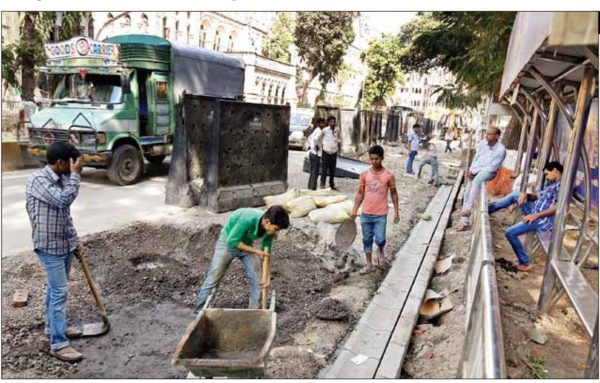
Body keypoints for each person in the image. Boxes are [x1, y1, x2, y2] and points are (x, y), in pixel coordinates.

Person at [25, 141, 84, 362]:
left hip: (64, 244)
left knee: (55, 290)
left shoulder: (61, 178)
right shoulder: (38, 180)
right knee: (59, 292)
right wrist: (76, 175)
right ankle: (58, 344)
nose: (73, 168)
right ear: (60, 163)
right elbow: (63, 200)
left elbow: (65, 215)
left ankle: (53, 328)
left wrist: (75, 241)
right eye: (70, 164)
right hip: (49, 247)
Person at [194, 206, 290, 313]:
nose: (276, 232)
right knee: (213, 277)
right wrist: (256, 251)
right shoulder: (247, 219)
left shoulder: (269, 231)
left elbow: (266, 254)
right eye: (276, 229)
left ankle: (254, 314)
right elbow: (233, 240)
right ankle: (199, 312)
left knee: (258, 281)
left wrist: (267, 276)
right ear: (267, 221)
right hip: (227, 243)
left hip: (246, 244)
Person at [488, 162, 563, 271]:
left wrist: (536, 216)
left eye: (547, 174)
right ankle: (489, 209)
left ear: (555, 171)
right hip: (535, 210)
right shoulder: (552, 183)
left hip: (542, 219)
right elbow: (538, 196)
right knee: (516, 195)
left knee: (510, 232)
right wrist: (527, 195)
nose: (546, 177)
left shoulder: (562, 186)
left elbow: (558, 207)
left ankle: (525, 262)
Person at [350, 145, 400, 274]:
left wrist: (396, 211)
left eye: (376, 159)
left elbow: (394, 193)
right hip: (366, 213)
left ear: (382, 158)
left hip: (380, 214)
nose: (374, 161)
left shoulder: (388, 175)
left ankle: (380, 249)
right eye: (371, 159)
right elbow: (360, 193)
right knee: (367, 239)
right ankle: (369, 264)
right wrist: (354, 209)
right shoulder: (364, 175)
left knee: (380, 239)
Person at [457, 127, 507, 231]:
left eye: (490, 134)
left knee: (477, 180)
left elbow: (492, 167)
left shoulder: (501, 150)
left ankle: (468, 209)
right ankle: (464, 221)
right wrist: (471, 170)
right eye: (487, 134)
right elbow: (476, 157)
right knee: (467, 192)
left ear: (497, 136)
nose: (487, 136)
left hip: (489, 172)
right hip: (476, 170)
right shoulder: (483, 143)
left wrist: (475, 172)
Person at [320, 115, 341, 190]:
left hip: (334, 152)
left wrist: (338, 142)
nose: (333, 123)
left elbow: (339, 138)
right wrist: (322, 147)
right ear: (328, 122)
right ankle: (322, 184)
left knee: (332, 169)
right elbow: (320, 139)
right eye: (331, 122)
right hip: (326, 152)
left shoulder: (337, 130)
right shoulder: (325, 130)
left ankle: (331, 184)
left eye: (334, 122)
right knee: (324, 169)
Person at [307, 118, 325, 190]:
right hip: (315, 154)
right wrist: (316, 147)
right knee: (315, 172)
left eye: (323, 123)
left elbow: (309, 138)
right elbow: (315, 140)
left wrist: (312, 146)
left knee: (312, 172)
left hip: (312, 152)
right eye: (321, 123)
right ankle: (312, 188)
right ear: (318, 124)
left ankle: (311, 186)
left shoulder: (316, 130)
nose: (323, 125)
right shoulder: (319, 131)